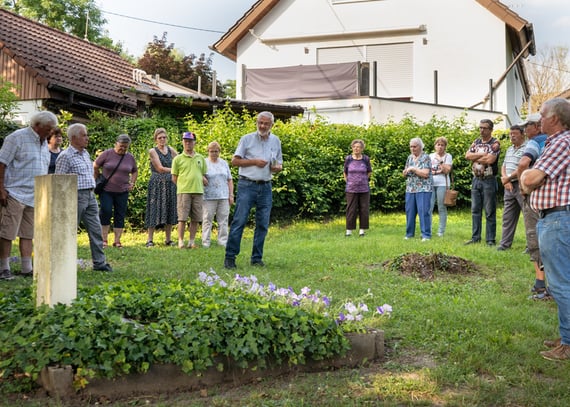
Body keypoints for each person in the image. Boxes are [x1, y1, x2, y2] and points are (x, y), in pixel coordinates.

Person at [520, 97, 570, 361]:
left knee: (561, 284)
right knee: (563, 281)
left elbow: (530, 178)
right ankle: (566, 335)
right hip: (556, 218)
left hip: (558, 220)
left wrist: (527, 180)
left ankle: (569, 344)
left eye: (542, 115)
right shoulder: (556, 142)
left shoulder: (562, 142)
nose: (538, 120)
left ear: (555, 118)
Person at [0, 110, 58, 280]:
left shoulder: (43, 143)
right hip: (14, 193)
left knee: (28, 233)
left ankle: (27, 268)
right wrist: (1, 188)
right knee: (7, 232)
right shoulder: (16, 138)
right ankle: (3, 268)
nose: (51, 133)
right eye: (48, 129)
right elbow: (1, 163)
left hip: (34, 195)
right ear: (37, 126)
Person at [224, 111, 283, 269]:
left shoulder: (276, 141)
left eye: (266, 124)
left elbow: (279, 165)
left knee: (263, 223)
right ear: (257, 123)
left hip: (266, 186)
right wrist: (254, 162)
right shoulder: (247, 139)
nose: (262, 126)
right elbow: (235, 161)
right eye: (260, 123)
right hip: (247, 185)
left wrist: (276, 168)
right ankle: (230, 258)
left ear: (272, 125)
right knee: (239, 221)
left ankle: (256, 258)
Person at [55, 124, 112, 272]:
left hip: (90, 195)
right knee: (69, 231)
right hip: (75, 196)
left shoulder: (85, 153)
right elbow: (58, 182)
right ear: (73, 138)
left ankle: (99, 263)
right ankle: (63, 263)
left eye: (86, 135)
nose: (87, 138)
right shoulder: (65, 156)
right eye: (84, 135)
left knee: (96, 230)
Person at [514, 113, 550, 299]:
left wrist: (523, 186)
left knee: (534, 238)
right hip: (553, 200)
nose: (524, 130)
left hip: (535, 198)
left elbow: (523, 163)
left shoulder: (535, 142)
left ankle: (540, 285)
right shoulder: (556, 141)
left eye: (527, 126)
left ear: (537, 126)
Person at [94, 134, 138, 248]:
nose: (123, 149)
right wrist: (97, 177)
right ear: (116, 144)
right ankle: (104, 239)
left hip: (122, 191)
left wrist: (132, 183)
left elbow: (134, 171)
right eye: (121, 146)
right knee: (106, 212)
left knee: (120, 214)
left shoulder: (130, 157)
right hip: (106, 190)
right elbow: (95, 165)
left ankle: (117, 241)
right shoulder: (107, 154)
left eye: (125, 147)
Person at [464, 119, 501, 246]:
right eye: (480, 127)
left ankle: (490, 239)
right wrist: (482, 154)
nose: (481, 130)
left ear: (491, 129)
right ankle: (476, 237)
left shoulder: (495, 143)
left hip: (488, 179)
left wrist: (476, 156)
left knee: (489, 210)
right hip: (476, 179)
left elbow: (490, 159)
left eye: (484, 128)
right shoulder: (476, 141)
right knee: (475, 210)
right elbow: (467, 155)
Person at [171, 131, 207, 249]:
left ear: (194, 143)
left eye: (190, 141)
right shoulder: (177, 159)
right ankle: (181, 241)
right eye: (186, 141)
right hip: (184, 191)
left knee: (196, 218)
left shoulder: (200, 158)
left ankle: (191, 241)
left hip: (198, 191)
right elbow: (174, 177)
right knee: (182, 217)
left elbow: (202, 174)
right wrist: (183, 185)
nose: (188, 143)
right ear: (182, 142)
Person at [144, 128, 178, 247]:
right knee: (154, 209)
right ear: (155, 139)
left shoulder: (171, 150)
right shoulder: (153, 151)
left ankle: (168, 239)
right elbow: (160, 168)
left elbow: (180, 161)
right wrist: (176, 170)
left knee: (170, 209)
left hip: (170, 183)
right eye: (160, 138)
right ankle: (149, 239)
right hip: (157, 184)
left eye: (164, 137)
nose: (162, 139)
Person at [497, 125, 527, 251]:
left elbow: (522, 167)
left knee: (528, 216)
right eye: (510, 134)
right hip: (508, 186)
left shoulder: (527, 148)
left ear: (522, 134)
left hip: (521, 185)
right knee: (508, 216)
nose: (512, 136)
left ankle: (531, 246)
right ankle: (504, 244)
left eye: (515, 133)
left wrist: (508, 178)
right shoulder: (509, 149)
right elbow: (504, 166)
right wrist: (505, 180)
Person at [202, 141, 234, 248]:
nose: (214, 153)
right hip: (208, 196)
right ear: (208, 151)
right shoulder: (204, 162)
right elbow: (197, 175)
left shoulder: (224, 163)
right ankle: (206, 242)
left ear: (219, 151)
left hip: (223, 196)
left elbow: (229, 180)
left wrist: (231, 195)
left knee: (223, 220)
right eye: (212, 151)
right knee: (207, 219)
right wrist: (202, 178)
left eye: (216, 151)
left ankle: (223, 241)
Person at [402, 137, 432, 241]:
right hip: (410, 188)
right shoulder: (410, 157)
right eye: (411, 146)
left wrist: (413, 169)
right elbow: (406, 170)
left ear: (420, 147)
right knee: (410, 211)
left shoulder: (426, 157)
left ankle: (426, 235)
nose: (412, 149)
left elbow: (425, 173)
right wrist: (405, 172)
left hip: (423, 188)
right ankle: (409, 234)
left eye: (415, 146)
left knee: (423, 212)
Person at [343, 139, 372, 237]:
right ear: (352, 148)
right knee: (351, 209)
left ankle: (362, 231)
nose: (356, 148)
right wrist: (349, 181)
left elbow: (369, 172)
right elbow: (345, 172)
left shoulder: (366, 159)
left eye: (358, 147)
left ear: (362, 148)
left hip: (364, 189)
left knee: (364, 209)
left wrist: (362, 180)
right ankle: (349, 231)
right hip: (351, 189)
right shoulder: (348, 159)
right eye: (354, 147)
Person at [429, 137, 453, 237]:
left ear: (445, 146)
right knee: (428, 207)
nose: (440, 147)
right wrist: (438, 171)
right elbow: (428, 170)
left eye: (442, 145)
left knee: (441, 207)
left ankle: (440, 231)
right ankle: (427, 230)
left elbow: (447, 171)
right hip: (430, 184)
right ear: (435, 146)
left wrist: (440, 161)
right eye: (438, 144)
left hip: (442, 184)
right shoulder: (430, 156)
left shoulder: (448, 156)